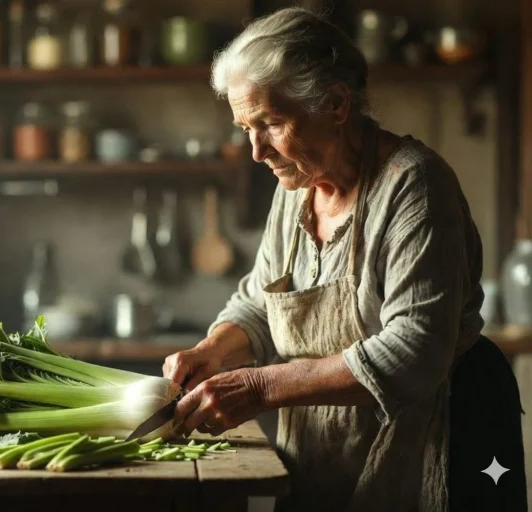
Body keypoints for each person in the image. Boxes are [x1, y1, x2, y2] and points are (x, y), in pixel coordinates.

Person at [163, 7, 526, 511]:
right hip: (329, 446)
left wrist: (257, 385)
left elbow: (412, 352)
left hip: (434, 439)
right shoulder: (296, 186)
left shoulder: (415, 186)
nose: (256, 151)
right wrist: (215, 351)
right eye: (245, 127)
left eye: (270, 123)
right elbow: (260, 302)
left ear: (334, 103)